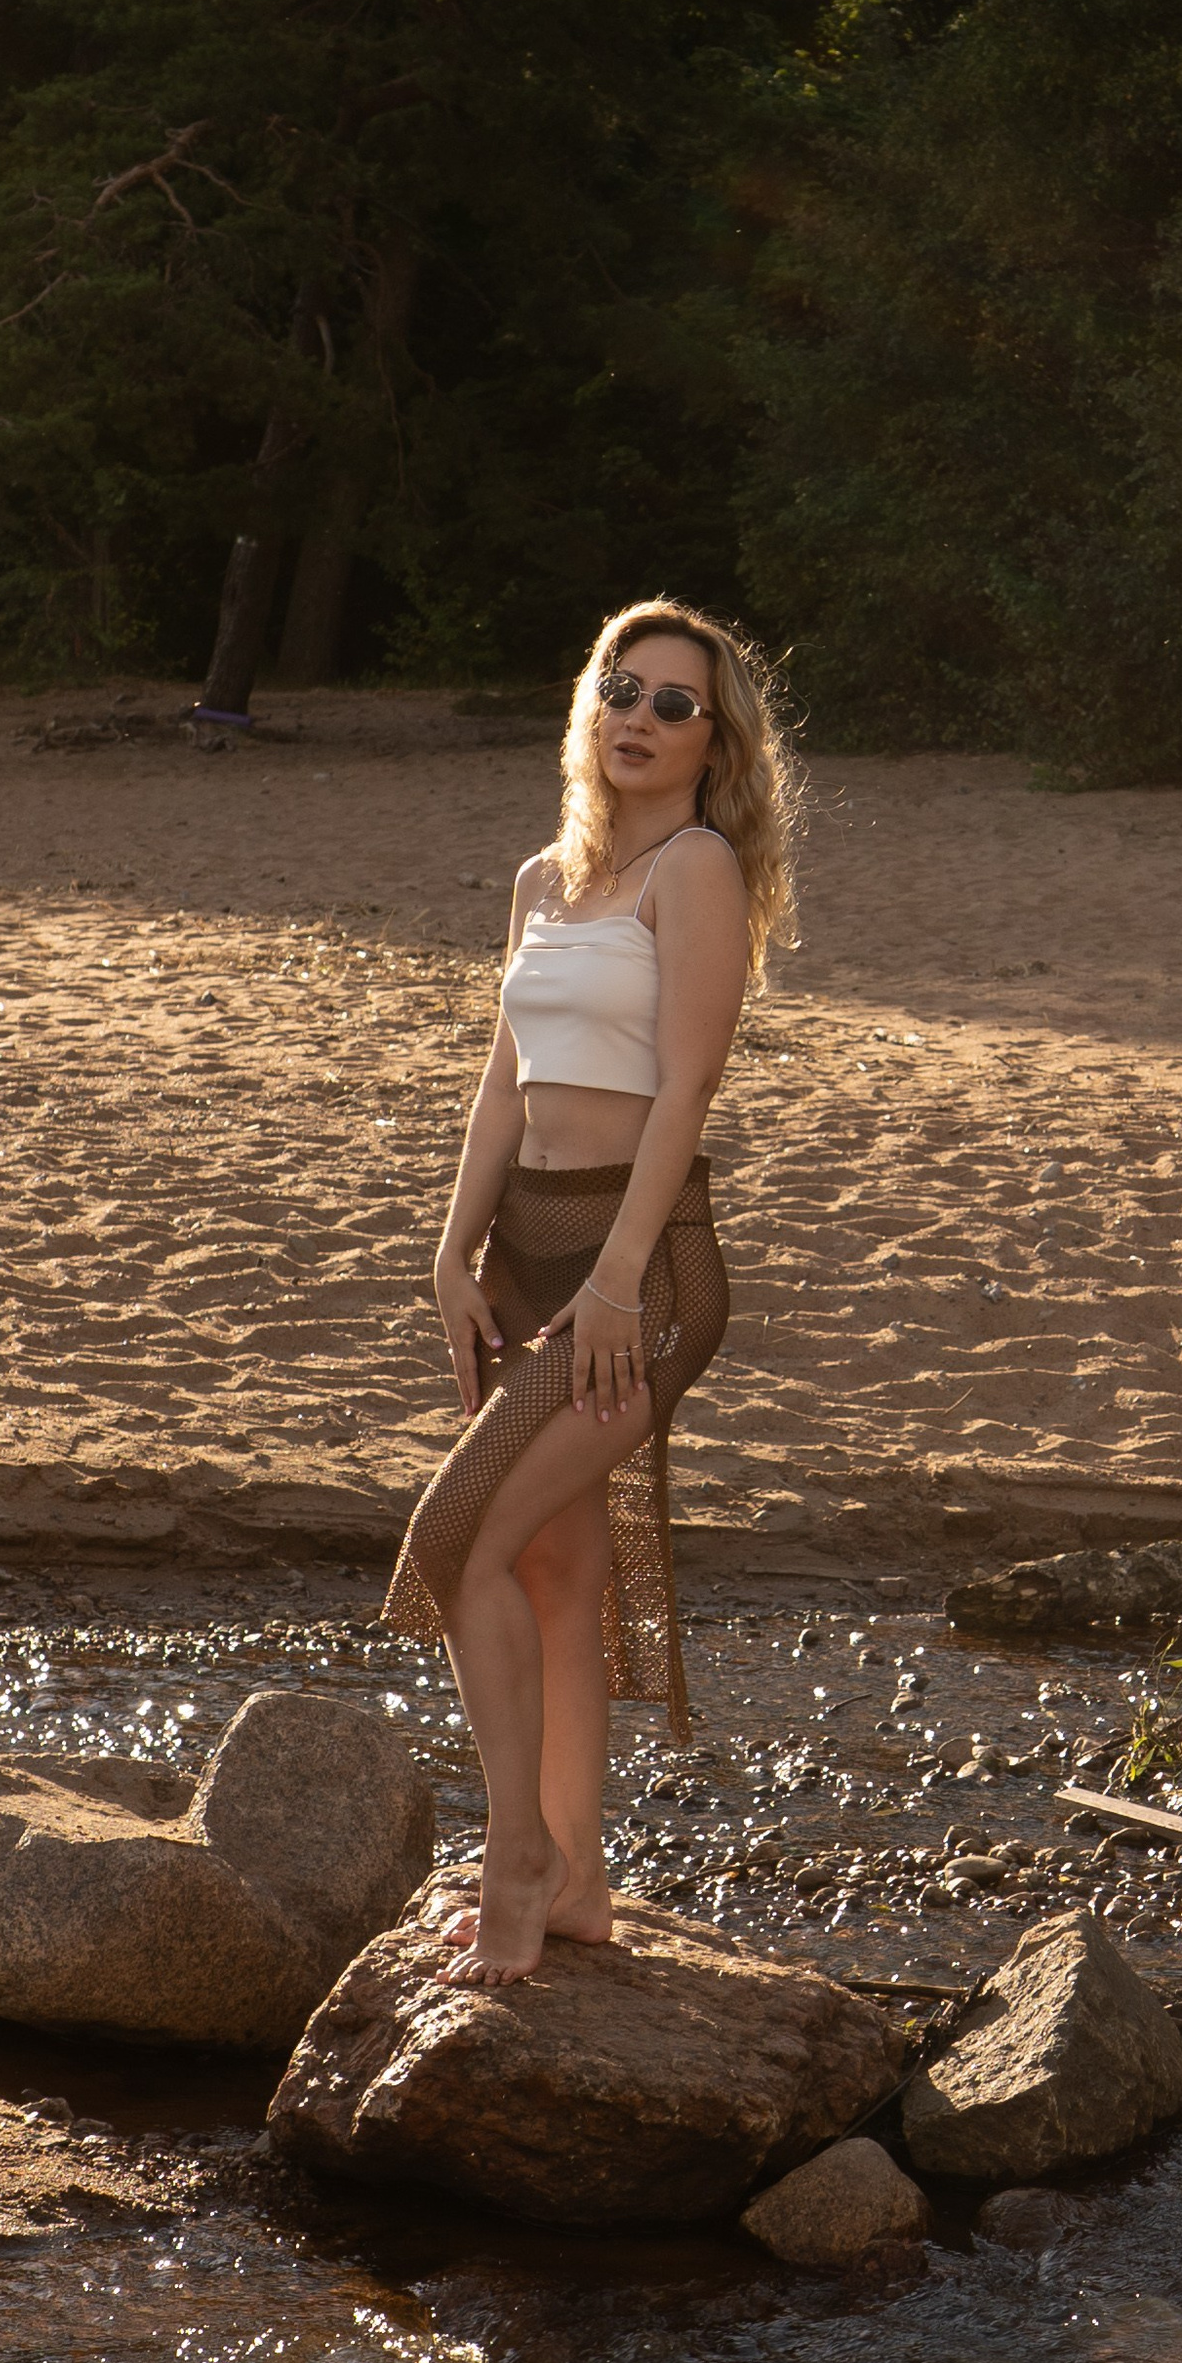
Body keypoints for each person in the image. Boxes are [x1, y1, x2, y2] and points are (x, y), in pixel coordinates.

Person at [384, 600, 798, 1983]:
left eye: (675, 704)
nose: (640, 717)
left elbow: (688, 1086)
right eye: (623, 688)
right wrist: (452, 1252)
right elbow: (505, 1081)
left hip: (646, 1269)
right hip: (523, 1259)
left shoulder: (696, 870)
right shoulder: (541, 881)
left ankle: (516, 1865)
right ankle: (579, 1886)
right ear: (590, 704)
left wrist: (618, 1282)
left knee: (457, 1548)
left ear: (712, 742)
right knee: (553, 1570)